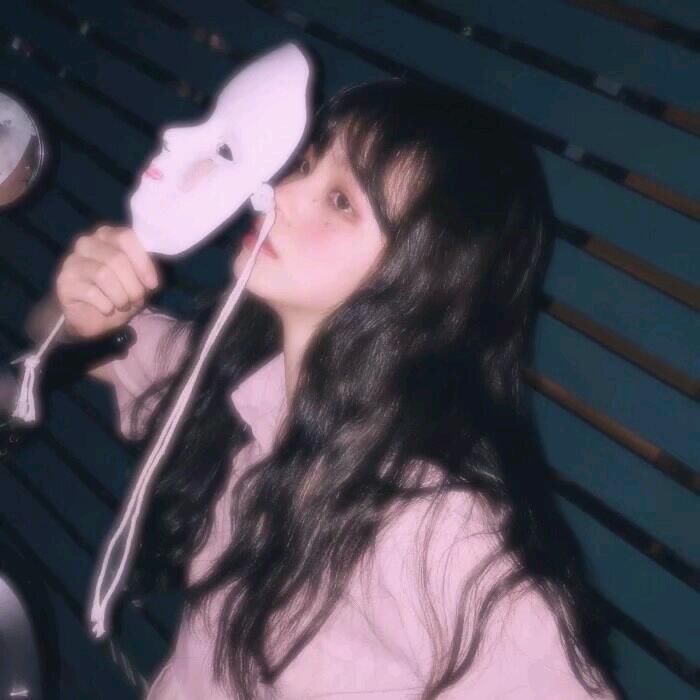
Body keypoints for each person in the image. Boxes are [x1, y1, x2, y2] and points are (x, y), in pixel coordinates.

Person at [28, 78, 622, 699]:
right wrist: (78, 312)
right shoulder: (242, 380)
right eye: (305, 165)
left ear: (422, 279)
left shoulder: (438, 530)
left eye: (341, 200)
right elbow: (58, 339)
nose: (277, 193)